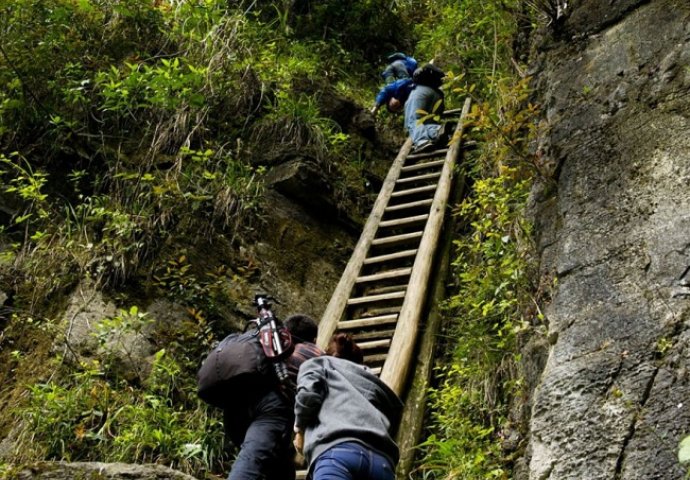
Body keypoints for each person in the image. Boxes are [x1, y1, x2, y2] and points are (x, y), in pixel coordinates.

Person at [223, 314, 322, 480]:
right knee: (252, 462)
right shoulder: (313, 352)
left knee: (279, 464)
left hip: (234, 405)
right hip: (272, 408)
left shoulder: (267, 345)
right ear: (314, 338)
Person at [293, 333, 403, 480]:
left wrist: (299, 429)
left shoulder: (319, 363)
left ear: (329, 354)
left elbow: (308, 395)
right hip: (382, 462)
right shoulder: (373, 382)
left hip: (337, 454)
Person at [404, 64, 447, 152]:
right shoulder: (436, 90)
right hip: (437, 94)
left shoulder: (418, 89)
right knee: (426, 121)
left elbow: (413, 118)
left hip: (421, 91)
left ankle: (422, 141)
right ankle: (436, 131)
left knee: (413, 119)